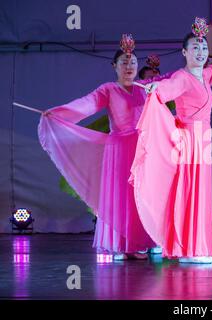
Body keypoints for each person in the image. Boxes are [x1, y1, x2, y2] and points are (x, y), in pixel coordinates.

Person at [39, 34, 171, 260]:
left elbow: (170, 81)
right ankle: (121, 241)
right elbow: (85, 104)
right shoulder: (108, 90)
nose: (129, 67)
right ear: (114, 66)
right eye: (124, 63)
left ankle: (144, 240)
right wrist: (59, 113)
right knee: (121, 197)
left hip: (141, 150)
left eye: (133, 63)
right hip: (119, 149)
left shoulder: (145, 87)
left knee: (143, 196)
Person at [130, 18, 212, 264]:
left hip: (203, 140)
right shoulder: (182, 78)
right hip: (188, 139)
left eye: (204, 48)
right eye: (195, 47)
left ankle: (195, 245)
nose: (201, 52)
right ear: (184, 52)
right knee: (189, 190)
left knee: (200, 192)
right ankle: (190, 247)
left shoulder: (205, 75)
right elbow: (167, 87)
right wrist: (155, 88)